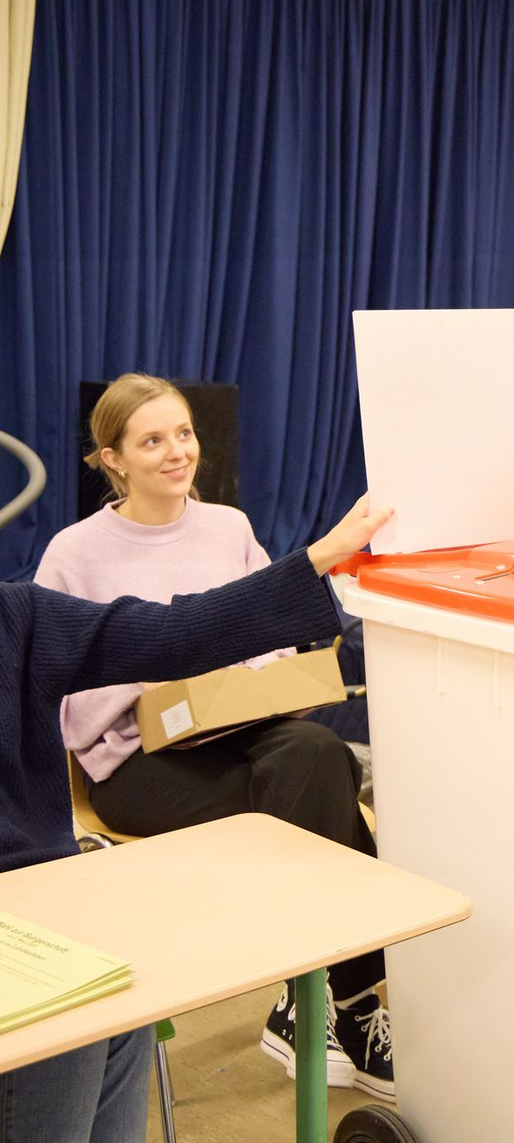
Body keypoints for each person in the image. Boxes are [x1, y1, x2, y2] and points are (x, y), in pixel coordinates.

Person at [33, 375, 392, 1099]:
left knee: (319, 754)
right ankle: (340, 999)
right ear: (113, 458)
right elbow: (67, 700)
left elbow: (274, 634)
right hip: (135, 765)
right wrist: (164, 683)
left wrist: (239, 677)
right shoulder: (73, 553)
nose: (176, 452)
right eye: (152, 440)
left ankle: (312, 999)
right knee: (309, 800)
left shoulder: (229, 526)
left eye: (185, 433)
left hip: (239, 730)